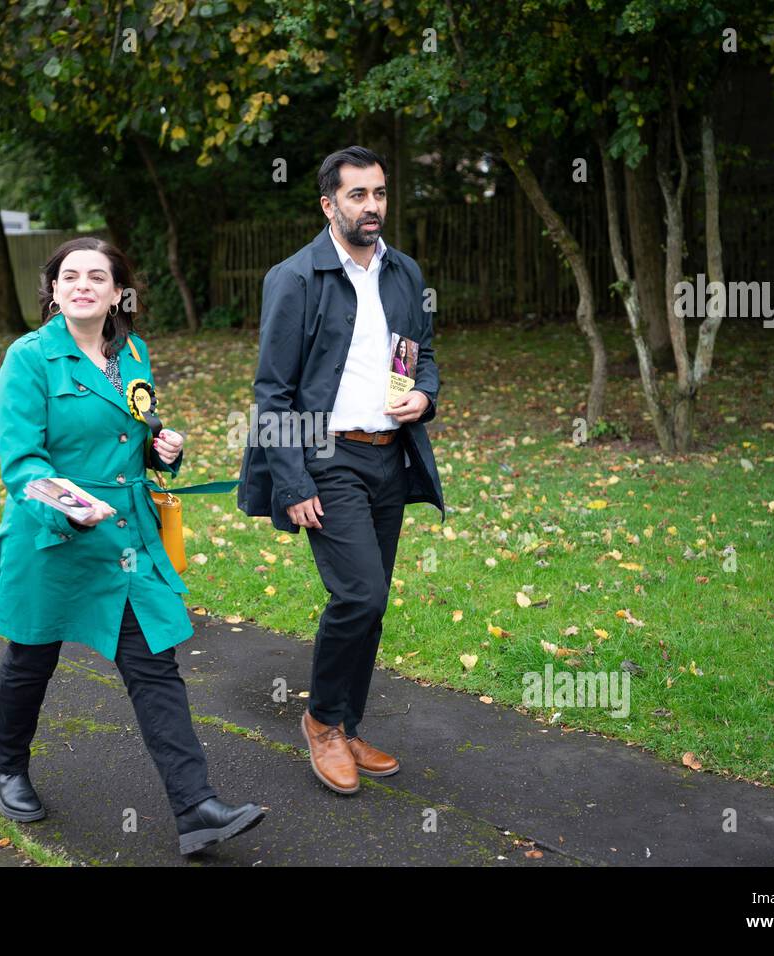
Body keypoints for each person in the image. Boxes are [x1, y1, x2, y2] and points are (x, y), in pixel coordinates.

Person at [0, 236, 264, 855]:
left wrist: (162, 447)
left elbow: (134, 432)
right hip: (51, 535)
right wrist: (74, 506)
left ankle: (197, 809)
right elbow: (22, 462)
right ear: (53, 290)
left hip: (126, 540)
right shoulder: (28, 358)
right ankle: (5, 768)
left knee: (154, 667)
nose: (82, 284)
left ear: (117, 293)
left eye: (97, 276)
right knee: (31, 661)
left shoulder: (133, 352)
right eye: (70, 276)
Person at [237, 145, 445, 795]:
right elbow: (273, 391)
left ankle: (349, 726)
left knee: (372, 605)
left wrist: (424, 394)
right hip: (326, 456)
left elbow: (419, 353)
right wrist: (293, 482)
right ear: (329, 205)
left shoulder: (404, 273)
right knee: (359, 594)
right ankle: (322, 722)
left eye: (380, 193)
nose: (372, 206)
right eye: (358, 195)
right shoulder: (295, 278)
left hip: (389, 454)